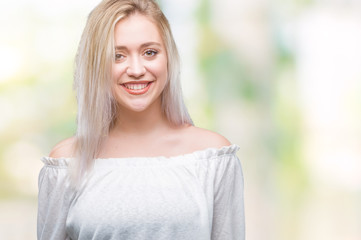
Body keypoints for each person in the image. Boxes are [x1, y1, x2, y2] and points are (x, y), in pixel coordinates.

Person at [37, 0, 245, 239]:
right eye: (117, 55)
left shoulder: (213, 157)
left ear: (168, 58)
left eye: (150, 52)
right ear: (96, 65)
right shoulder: (65, 163)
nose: (136, 69)